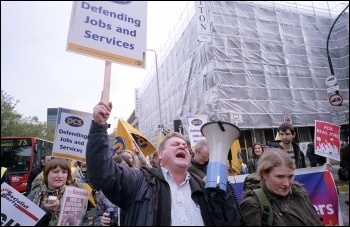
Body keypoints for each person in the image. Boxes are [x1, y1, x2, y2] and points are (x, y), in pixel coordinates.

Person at [86, 100, 241, 226]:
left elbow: (230, 222)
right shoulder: (139, 182)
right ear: (160, 155)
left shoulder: (202, 187)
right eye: (175, 144)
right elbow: (102, 172)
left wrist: (223, 196)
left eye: (185, 146)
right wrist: (99, 127)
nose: (182, 146)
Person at [240, 147, 323, 226]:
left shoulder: (300, 194)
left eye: (290, 176)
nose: (286, 184)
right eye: (280, 177)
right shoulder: (253, 205)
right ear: (264, 174)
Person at [27, 158, 87, 226]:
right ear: (46, 174)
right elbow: (26, 222)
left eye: (64, 172)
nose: (60, 176)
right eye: (55, 172)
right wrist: (46, 210)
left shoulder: (74, 195)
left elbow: (83, 220)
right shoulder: (34, 195)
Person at [93, 154, 131, 226]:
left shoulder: (137, 190)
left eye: (124, 166)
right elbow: (96, 219)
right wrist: (101, 221)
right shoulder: (105, 193)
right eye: (117, 167)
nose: (120, 171)